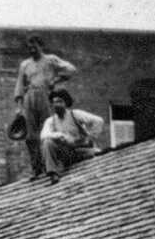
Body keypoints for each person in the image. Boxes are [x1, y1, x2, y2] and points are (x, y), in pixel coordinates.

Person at [12, 36, 77, 178]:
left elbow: (71, 69)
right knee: (30, 135)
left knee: (47, 130)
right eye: (29, 47)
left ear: (41, 46)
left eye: (34, 46)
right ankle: (36, 168)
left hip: (45, 96)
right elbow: (19, 85)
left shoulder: (50, 60)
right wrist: (19, 106)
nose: (32, 49)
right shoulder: (25, 65)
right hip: (30, 97)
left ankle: (50, 166)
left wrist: (56, 79)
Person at [38, 89, 103, 183]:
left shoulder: (75, 114)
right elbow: (43, 135)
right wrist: (58, 135)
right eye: (54, 102)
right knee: (47, 142)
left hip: (82, 150)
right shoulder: (50, 121)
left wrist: (91, 137)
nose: (56, 105)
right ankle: (53, 173)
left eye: (59, 101)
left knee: (98, 154)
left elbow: (98, 121)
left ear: (66, 102)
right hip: (67, 154)